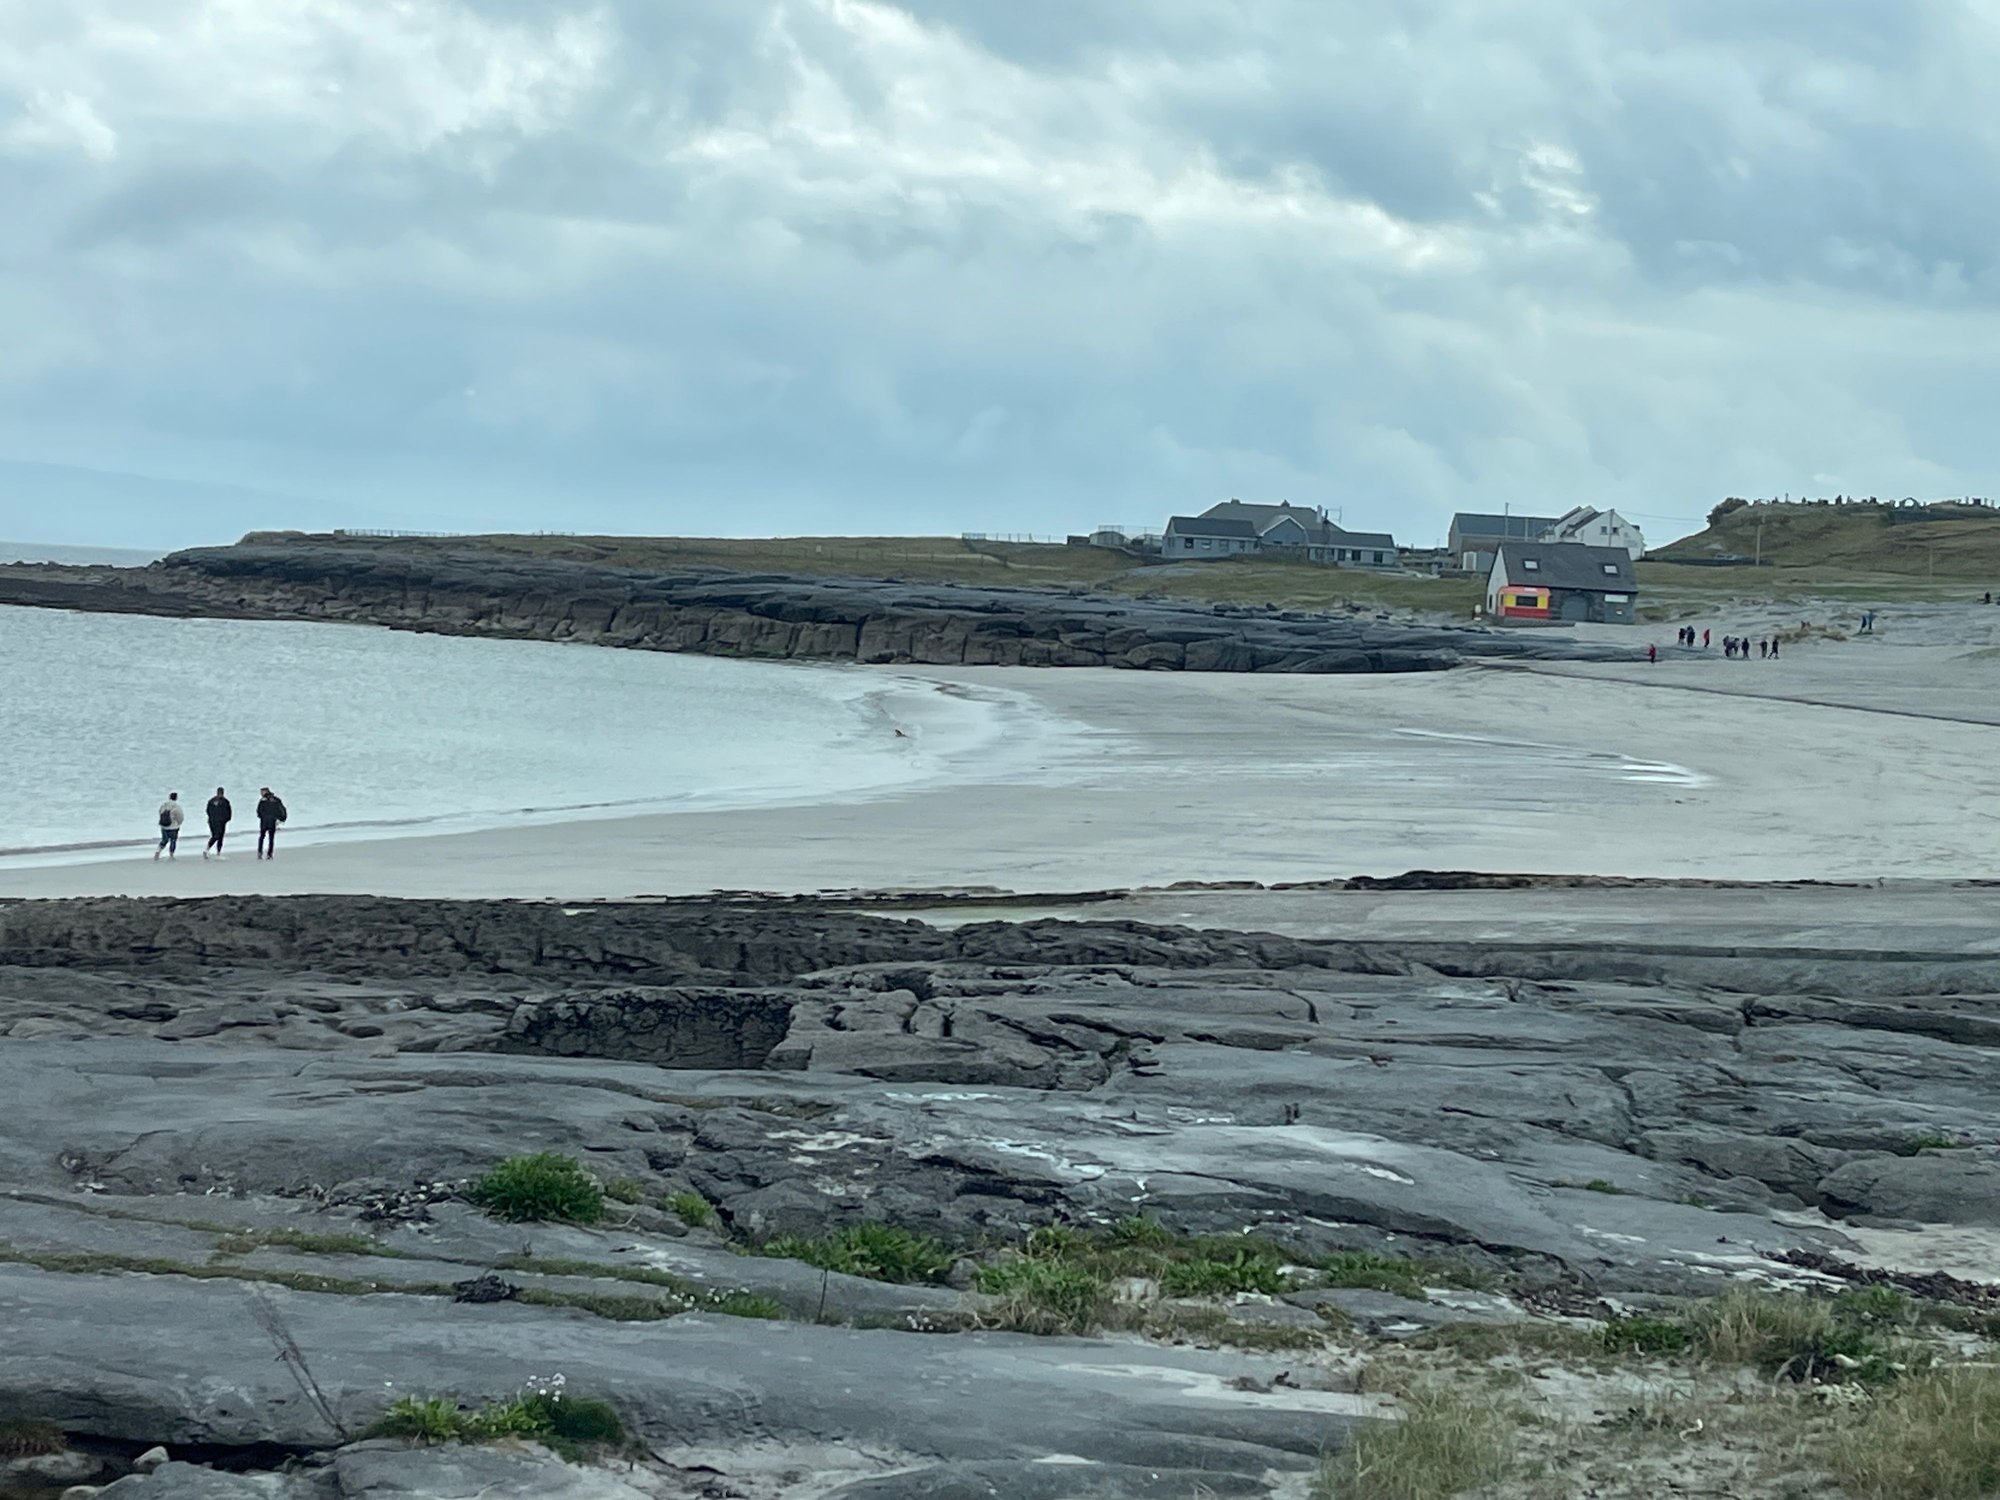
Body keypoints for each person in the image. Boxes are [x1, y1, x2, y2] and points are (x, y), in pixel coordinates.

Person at [255, 787, 287, 860]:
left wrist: (261, 816)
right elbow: (282, 809)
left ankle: (260, 852)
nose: (261, 794)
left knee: (262, 837)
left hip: (265, 821)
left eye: (262, 792)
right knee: (271, 838)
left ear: (265, 792)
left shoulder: (263, 801)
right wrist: (281, 818)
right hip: (272, 821)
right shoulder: (276, 800)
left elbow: (259, 811)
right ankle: (269, 853)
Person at [203, 787, 232, 859]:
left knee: (215, 836)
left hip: (212, 821)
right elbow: (228, 812)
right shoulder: (225, 801)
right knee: (219, 836)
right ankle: (215, 851)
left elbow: (207, 811)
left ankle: (209, 850)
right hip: (220, 822)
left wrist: (211, 818)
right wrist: (226, 819)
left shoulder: (211, 801)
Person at [154, 792, 184, 860]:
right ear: (176, 798)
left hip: (164, 826)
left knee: (164, 840)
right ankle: (171, 855)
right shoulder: (176, 806)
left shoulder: (164, 805)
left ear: (169, 797)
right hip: (173, 827)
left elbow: (160, 812)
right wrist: (178, 823)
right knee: (173, 840)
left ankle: (158, 851)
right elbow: (180, 817)